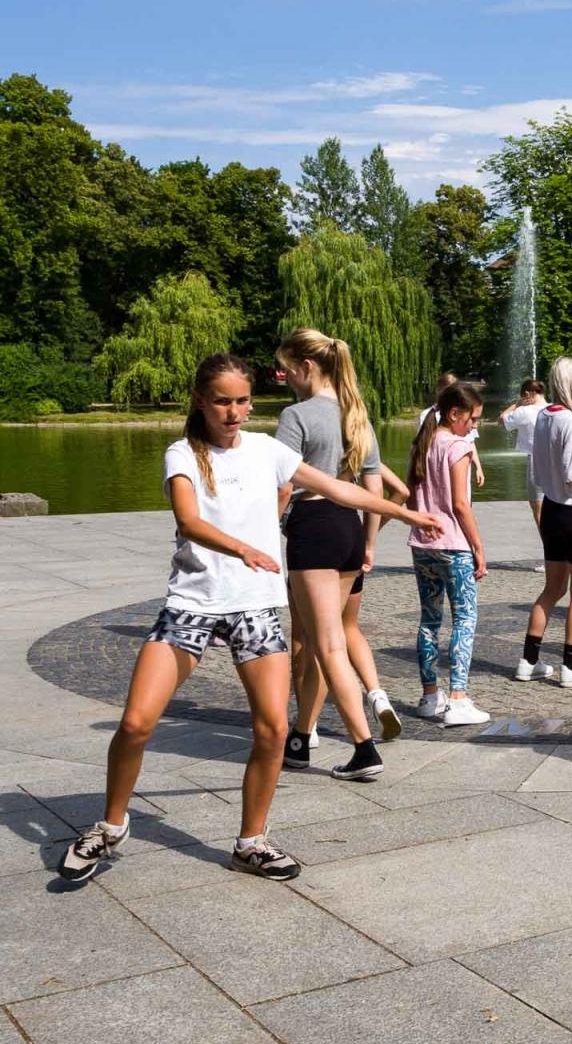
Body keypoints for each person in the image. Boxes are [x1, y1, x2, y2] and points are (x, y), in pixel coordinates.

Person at [56, 354, 442, 884]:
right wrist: (242, 548)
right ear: (200, 401)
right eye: (222, 401)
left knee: (273, 729)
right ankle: (111, 825)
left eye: (242, 401)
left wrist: (404, 511)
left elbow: (336, 488)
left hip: (255, 608)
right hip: (192, 603)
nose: (235, 412)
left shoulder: (268, 450)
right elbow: (189, 521)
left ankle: (251, 841)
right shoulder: (183, 453)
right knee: (136, 721)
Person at [276, 328, 395, 781]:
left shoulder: (296, 415)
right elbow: (374, 484)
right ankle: (301, 739)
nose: (286, 380)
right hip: (349, 527)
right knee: (320, 635)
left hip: (314, 527)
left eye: (287, 371)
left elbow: (285, 482)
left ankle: (364, 748)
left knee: (326, 644)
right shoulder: (356, 415)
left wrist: (269, 530)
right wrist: (369, 542)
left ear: (306, 367)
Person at [287, 461, 410, 751]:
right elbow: (399, 491)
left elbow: (283, 489)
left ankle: (307, 725)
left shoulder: (312, 450)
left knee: (309, 638)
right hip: (351, 535)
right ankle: (377, 695)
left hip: (315, 540)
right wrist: (369, 539)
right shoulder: (357, 439)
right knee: (348, 627)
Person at [515, 357, 572, 688]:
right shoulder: (570, 423)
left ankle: (529, 660)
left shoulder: (543, 417)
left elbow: (539, 472)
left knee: (552, 589)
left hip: (552, 510)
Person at [408, 381, 491, 726]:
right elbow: (460, 503)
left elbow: (411, 497)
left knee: (429, 620)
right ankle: (458, 698)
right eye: (472, 419)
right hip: (454, 545)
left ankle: (430, 696)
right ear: (455, 414)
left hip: (423, 543)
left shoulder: (422, 443)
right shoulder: (456, 447)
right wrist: (478, 547)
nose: (474, 427)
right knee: (464, 619)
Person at [498, 378, 548, 571]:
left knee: (539, 510)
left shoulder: (524, 411)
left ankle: (551, 557)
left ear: (527, 394)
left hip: (536, 461)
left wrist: (516, 404)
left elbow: (501, 420)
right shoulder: (554, 409)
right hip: (556, 462)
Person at [419, 372, 483, 487]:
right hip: (441, 472)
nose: (475, 425)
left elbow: (471, 441)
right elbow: (460, 504)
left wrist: (478, 466)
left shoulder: (465, 417)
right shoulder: (429, 416)